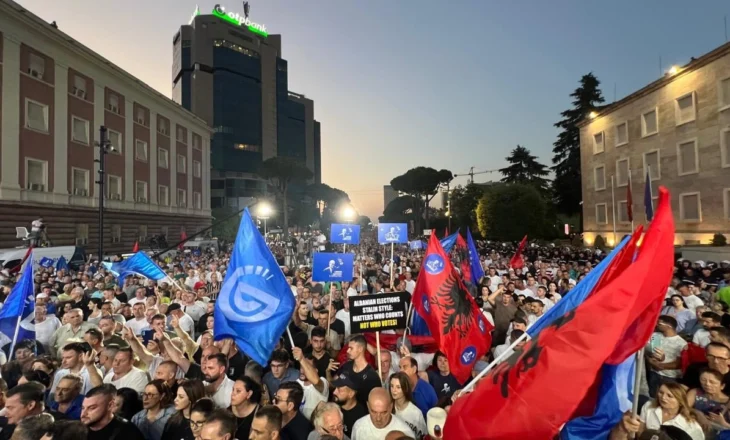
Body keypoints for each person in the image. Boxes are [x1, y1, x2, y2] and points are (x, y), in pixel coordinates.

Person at [610, 383, 704, 440]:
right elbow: (641, 431)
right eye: (661, 392)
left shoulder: (692, 427)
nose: (663, 397)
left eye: (669, 396)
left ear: (680, 401)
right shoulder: (649, 407)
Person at [80, 384, 145, 440]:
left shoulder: (128, 433)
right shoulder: (77, 430)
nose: (83, 414)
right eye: (83, 408)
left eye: (92, 408)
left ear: (110, 405)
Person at [646, 315, 687, 398]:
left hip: (670, 377)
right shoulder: (655, 335)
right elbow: (647, 350)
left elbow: (679, 363)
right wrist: (650, 361)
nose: (657, 325)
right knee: (653, 396)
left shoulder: (681, 343)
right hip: (654, 373)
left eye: (660, 323)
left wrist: (660, 366)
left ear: (669, 326)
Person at [335, 336, 381, 406]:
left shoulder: (372, 376)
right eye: (348, 348)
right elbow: (333, 384)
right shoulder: (346, 366)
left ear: (360, 349)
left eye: (351, 348)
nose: (347, 351)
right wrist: (328, 372)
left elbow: (375, 403)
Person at [686, 369, 729, 434]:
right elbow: (683, 407)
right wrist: (698, 414)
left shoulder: (728, 402)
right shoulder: (695, 392)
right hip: (693, 427)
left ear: (722, 386)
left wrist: (724, 423)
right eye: (703, 380)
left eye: (712, 382)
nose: (707, 384)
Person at [388, 373, 426, 440]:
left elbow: (423, 435)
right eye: (392, 386)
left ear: (405, 389)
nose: (394, 390)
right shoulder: (387, 408)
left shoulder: (416, 413)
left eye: (398, 387)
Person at [228, 376, 260, 440]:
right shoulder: (227, 412)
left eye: (238, 391)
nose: (232, 394)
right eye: (233, 389)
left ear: (249, 394)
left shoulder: (259, 413)